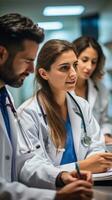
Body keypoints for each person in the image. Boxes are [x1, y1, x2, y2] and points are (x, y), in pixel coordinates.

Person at [0, 13, 93, 200]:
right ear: (1, 54)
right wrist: (54, 197)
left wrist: (60, 176)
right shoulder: (27, 111)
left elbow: (23, 161)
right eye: (27, 61)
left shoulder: (5, 97)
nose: (32, 70)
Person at [17, 39, 112, 190]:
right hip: (51, 192)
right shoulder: (28, 113)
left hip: (85, 186)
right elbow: (30, 168)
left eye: (74, 65)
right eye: (64, 68)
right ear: (44, 73)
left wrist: (97, 161)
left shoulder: (82, 106)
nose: (74, 73)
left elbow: (96, 146)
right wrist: (79, 167)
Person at [72, 36, 112, 144]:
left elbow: (105, 121)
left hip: (96, 146)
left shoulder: (100, 89)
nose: (89, 67)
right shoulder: (61, 89)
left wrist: (106, 135)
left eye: (94, 62)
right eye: (84, 60)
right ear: (73, 59)